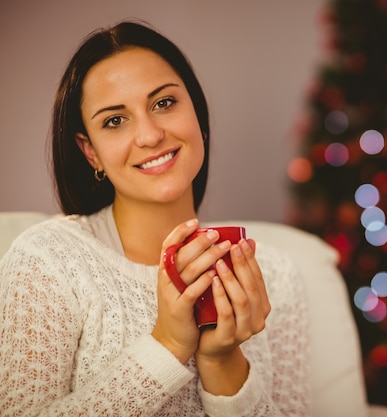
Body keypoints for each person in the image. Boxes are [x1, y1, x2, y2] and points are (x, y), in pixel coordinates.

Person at [0, 20, 310, 416]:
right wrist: (168, 346)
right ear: (90, 151)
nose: (149, 135)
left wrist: (222, 362)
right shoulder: (47, 262)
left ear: (196, 111)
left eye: (164, 103)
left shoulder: (278, 277)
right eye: (115, 120)